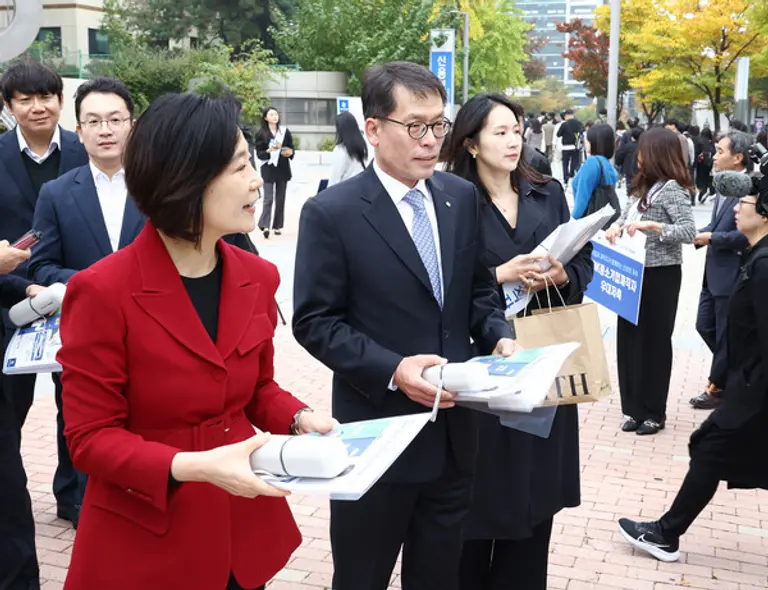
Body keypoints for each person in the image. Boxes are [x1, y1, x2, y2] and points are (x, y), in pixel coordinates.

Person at [56, 93, 336, 590]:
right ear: (185, 181)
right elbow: (88, 438)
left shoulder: (257, 276)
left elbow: (256, 389)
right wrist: (193, 466)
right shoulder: (101, 290)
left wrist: (298, 418)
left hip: (239, 529)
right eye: (240, 167)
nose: (255, 181)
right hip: (146, 536)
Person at [292, 61, 517, 590]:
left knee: (439, 576)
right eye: (415, 126)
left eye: (439, 125)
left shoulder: (459, 198)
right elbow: (315, 321)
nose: (431, 139)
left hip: (456, 436)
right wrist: (393, 369)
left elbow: (477, 290)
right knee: (362, 576)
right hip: (376, 436)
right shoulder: (332, 212)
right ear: (373, 129)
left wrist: (498, 335)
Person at [442, 93, 593, 590]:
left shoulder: (546, 193)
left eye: (517, 130)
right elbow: (441, 283)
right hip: (480, 366)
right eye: (500, 131)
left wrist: (559, 274)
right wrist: (500, 273)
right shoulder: (450, 199)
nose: (513, 141)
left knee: (533, 504)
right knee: (476, 502)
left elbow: (583, 266)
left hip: (542, 358)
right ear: (470, 142)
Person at [618, 179, 768, 562]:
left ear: (763, 211)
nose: (737, 207)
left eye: (746, 202)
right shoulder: (758, 256)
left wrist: (742, 386)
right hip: (747, 386)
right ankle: (666, 533)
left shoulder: (765, 267)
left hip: (754, 391)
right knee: (713, 451)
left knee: (710, 449)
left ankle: (666, 534)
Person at [28, 78, 142, 530]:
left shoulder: (160, 186)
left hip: (153, 327)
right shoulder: (56, 193)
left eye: (115, 119)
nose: (105, 129)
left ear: (131, 125)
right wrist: (96, 284)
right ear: (79, 130)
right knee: (80, 418)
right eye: (94, 121)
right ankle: (80, 504)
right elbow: (41, 267)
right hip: (85, 334)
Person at [0, 61, 88, 589]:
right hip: (9, 306)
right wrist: (21, 284)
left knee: (76, 403)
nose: (39, 106)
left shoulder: (82, 150)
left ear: (60, 99)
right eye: (26, 98)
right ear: (9, 106)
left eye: (48, 95)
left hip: (73, 299)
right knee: (10, 409)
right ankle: (10, 493)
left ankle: (73, 495)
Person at [606, 128, 696, 435]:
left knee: (654, 343)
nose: (638, 157)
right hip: (632, 270)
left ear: (658, 153)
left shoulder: (672, 189)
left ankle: (653, 412)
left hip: (661, 274)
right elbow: (625, 218)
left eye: (644, 151)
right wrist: (616, 228)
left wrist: (654, 226)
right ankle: (632, 408)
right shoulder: (642, 187)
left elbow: (687, 231)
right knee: (629, 339)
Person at [689, 131, 751, 410]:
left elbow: (745, 235)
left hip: (731, 274)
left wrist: (711, 238)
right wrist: (697, 233)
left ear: (738, 158)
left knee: (726, 333)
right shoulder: (724, 186)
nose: (713, 156)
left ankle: (719, 386)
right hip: (713, 272)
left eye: (720, 151)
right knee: (705, 325)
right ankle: (737, 371)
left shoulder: (751, 188)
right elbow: (715, 226)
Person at [254, 106, 294, 238]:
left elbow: (291, 148)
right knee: (268, 198)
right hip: (268, 168)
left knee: (280, 198)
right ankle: (265, 225)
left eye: (276, 114)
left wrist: (289, 152)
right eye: (271, 115)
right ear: (266, 118)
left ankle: (277, 226)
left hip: (282, 168)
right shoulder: (261, 133)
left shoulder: (284, 132)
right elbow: (259, 152)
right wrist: (268, 152)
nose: (275, 117)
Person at [570, 123, 619, 219]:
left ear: (596, 142)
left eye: (588, 140)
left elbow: (582, 200)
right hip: (603, 220)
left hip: (587, 220)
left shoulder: (591, 163)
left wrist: (572, 220)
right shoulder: (607, 165)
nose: (585, 142)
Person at [328, 111, 368, 186]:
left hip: (345, 191)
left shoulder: (341, 150)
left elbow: (335, 179)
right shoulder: (363, 145)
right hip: (361, 188)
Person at [557, 109, 582, 185]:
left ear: (567, 116)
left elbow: (558, 134)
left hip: (566, 146)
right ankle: (572, 174)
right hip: (575, 146)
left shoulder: (564, 124)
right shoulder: (578, 123)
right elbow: (581, 132)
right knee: (574, 161)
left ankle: (566, 178)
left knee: (565, 163)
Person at [615, 126, 642, 192]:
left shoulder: (627, 146)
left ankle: (630, 197)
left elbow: (619, 156)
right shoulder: (643, 146)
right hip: (641, 171)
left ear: (632, 137)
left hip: (629, 171)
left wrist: (619, 163)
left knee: (630, 187)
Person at [694, 127, 716, 203]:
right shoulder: (711, 142)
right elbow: (714, 152)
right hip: (709, 163)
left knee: (701, 179)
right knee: (709, 178)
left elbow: (696, 153)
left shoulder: (699, 141)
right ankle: (710, 189)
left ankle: (702, 191)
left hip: (701, 164)